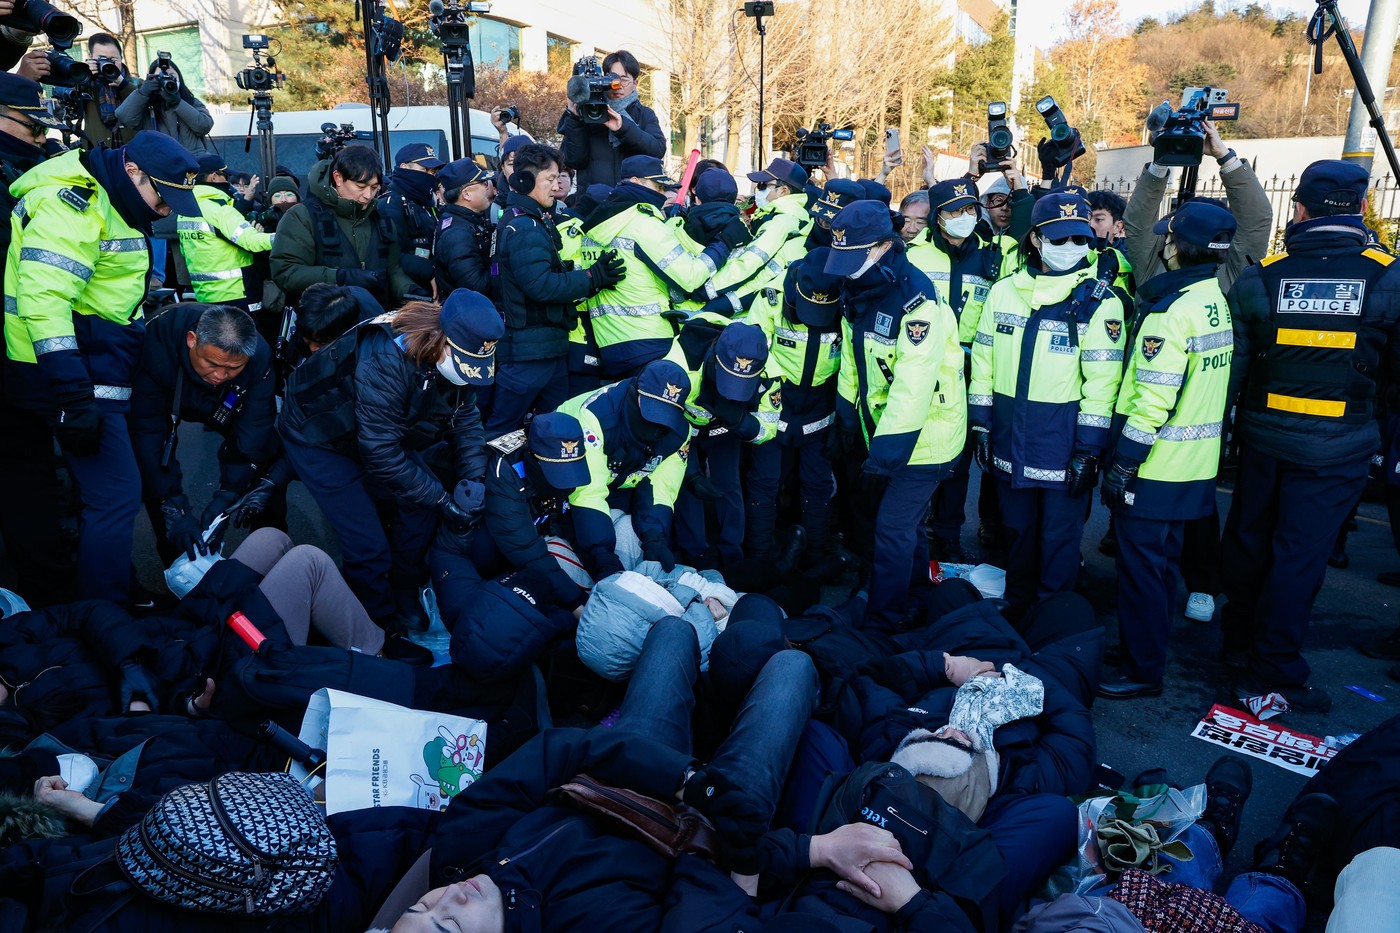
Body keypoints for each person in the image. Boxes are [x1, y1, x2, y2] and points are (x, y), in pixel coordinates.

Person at [1220, 160, 1400, 713]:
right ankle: (1274, 668)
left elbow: (1236, 367)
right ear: (1363, 208)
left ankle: (1235, 645)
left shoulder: (1263, 274)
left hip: (1263, 438)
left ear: (1298, 209)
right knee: (1299, 557)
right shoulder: (1388, 277)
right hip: (1338, 448)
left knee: (1250, 541)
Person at [2, 130, 200, 605]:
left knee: (102, 496)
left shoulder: (112, 195)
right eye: (163, 196)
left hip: (93, 366)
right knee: (114, 496)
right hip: (63, 372)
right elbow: (45, 302)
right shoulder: (71, 204)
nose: (167, 209)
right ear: (132, 171)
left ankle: (107, 592)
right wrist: (72, 396)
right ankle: (104, 612)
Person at [277, 290, 502, 631]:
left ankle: (403, 586)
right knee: (367, 545)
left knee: (419, 507)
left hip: (374, 431)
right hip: (318, 435)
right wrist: (443, 500)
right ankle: (376, 626)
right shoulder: (387, 355)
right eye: (464, 365)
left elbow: (465, 417)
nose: (469, 374)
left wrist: (473, 478)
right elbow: (381, 454)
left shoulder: (451, 347)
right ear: (439, 340)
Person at [1123, 118, 1272, 623]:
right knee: (1149, 526)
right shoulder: (1151, 274)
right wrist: (1161, 164)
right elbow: (1139, 222)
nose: (1162, 238)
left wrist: (1225, 157)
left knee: (1198, 510)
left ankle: (1202, 581)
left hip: (1199, 420)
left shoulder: (1225, 278)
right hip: (1145, 417)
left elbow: (1255, 223)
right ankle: (1161, 599)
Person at [1098, 202, 1238, 699]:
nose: (1164, 244)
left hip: (1155, 469)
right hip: (1193, 468)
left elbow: (1153, 399)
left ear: (1179, 247)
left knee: (1141, 573)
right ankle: (1144, 648)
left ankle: (1142, 669)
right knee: (1160, 569)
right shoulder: (1211, 297)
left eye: (1169, 238)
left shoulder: (1171, 314)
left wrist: (1123, 464)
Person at [968, 192, 1127, 621]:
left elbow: (1104, 384)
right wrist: (980, 424)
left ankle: (1054, 623)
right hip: (1007, 435)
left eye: (1079, 238)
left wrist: (1089, 450)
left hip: (1063, 444)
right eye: (1059, 239)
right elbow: (983, 360)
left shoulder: (1101, 302)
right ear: (1036, 240)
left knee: (1058, 539)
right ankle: (1018, 612)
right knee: (1016, 533)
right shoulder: (1003, 292)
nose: (1071, 248)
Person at [829, 200, 966, 632]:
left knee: (891, 527)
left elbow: (913, 387)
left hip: (927, 437)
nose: (847, 268)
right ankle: (917, 593)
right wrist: (846, 416)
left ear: (885, 247)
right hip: (885, 431)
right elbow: (854, 359)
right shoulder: (863, 288)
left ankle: (883, 620)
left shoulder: (917, 303)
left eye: (856, 257)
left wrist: (883, 457)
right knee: (901, 527)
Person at [909, 178, 1014, 563]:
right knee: (921, 453)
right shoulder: (913, 256)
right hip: (924, 367)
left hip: (973, 371)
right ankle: (916, 530)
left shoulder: (996, 256)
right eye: (954, 211)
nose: (964, 218)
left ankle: (948, 534)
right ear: (937, 218)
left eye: (970, 209)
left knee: (960, 457)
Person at [128, 303, 277, 565]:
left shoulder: (259, 354)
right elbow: (148, 431)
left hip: (226, 403)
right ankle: (178, 563)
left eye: (233, 367)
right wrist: (171, 502)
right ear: (191, 340)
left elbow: (254, 428)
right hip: (168, 390)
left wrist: (228, 494)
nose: (220, 375)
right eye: (212, 363)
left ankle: (269, 556)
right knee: (153, 467)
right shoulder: (157, 338)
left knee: (269, 455)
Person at [491, 142, 624, 435]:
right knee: (502, 432)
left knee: (556, 431)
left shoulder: (532, 221)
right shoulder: (524, 226)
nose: (556, 186)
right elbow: (542, 285)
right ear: (525, 180)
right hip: (528, 355)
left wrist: (589, 276)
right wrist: (592, 278)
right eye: (550, 179)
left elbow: (548, 274)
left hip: (545, 350)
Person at [0, 73, 72, 607]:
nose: (42, 139)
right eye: (32, 128)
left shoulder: (26, 174)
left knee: (30, 479)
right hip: (14, 364)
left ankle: (45, 598)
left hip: (20, 364)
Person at [576, 155, 737, 377]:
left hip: (610, 344)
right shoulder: (642, 223)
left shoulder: (599, 223)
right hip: (650, 341)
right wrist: (724, 243)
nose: (662, 194)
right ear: (635, 181)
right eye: (658, 186)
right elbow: (689, 278)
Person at [746, 249, 844, 573]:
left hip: (821, 401)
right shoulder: (772, 296)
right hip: (774, 397)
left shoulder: (846, 297)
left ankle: (816, 556)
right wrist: (770, 393)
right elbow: (754, 348)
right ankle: (760, 556)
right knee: (765, 480)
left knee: (817, 483)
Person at [555, 358, 692, 578]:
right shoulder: (595, 417)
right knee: (588, 544)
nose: (657, 422)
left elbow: (662, 487)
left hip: (621, 476)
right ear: (636, 392)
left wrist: (654, 536)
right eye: (653, 409)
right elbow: (588, 492)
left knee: (647, 538)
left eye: (666, 413)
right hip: (570, 464)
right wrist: (601, 553)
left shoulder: (679, 434)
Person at [663, 314, 775, 568]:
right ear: (715, 358)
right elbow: (666, 425)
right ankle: (696, 556)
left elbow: (767, 431)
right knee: (686, 486)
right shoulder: (680, 365)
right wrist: (691, 472)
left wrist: (740, 419)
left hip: (725, 430)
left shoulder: (770, 370)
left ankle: (731, 554)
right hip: (684, 429)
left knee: (729, 485)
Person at [469, 411, 593, 609]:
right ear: (535, 459)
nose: (566, 483)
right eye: (558, 473)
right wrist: (576, 604)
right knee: (485, 558)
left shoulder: (556, 454)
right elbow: (524, 548)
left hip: (529, 523)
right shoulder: (504, 471)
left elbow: (562, 509)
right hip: (487, 532)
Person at [270, 144, 414, 309]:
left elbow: (393, 271)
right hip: (323, 325)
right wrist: (339, 277)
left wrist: (410, 292)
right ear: (338, 178)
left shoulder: (381, 218)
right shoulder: (302, 216)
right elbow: (286, 273)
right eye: (360, 187)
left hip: (374, 324)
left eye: (374, 188)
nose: (368, 195)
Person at [176, 153, 274, 313]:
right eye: (226, 176)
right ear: (214, 177)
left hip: (205, 295)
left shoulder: (185, 211)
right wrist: (284, 237)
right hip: (236, 293)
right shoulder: (218, 209)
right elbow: (251, 241)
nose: (228, 181)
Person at [557, 49, 666, 191]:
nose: (618, 85)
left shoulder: (644, 115)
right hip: (593, 203)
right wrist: (575, 118)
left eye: (624, 79)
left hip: (631, 201)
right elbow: (573, 160)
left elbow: (657, 151)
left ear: (635, 83)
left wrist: (623, 128)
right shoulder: (588, 111)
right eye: (613, 78)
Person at [379, 143, 446, 295]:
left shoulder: (424, 203)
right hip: (409, 293)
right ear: (404, 167)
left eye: (433, 171)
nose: (430, 175)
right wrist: (428, 271)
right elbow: (390, 256)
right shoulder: (390, 205)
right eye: (424, 169)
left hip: (431, 289)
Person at [114, 52, 212, 155]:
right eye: (160, 77)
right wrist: (142, 92)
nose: (167, 80)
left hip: (194, 165)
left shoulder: (191, 102)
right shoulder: (146, 106)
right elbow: (124, 117)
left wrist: (178, 103)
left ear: (179, 78)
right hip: (161, 164)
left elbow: (204, 126)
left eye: (172, 76)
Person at [433, 158, 496, 298]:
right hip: (471, 314)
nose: (488, 188)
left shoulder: (469, 220)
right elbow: (477, 288)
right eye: (483, 183)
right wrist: (502, 263)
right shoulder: (457, 235)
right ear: (466, 193)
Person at [76, 33, 137, 151]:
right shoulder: (86, 84)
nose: (108, 64)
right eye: (102, 59)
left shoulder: (136, 84)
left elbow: (143, 103)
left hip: (132, 153)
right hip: (98, 151)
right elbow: (71, 101)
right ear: (91, 57)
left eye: (113, 59)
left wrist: (123, 85)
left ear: (121, 57)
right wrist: (84, 77)